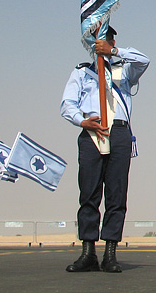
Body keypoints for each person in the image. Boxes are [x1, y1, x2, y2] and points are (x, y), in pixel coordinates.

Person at [60, 26, 149, 273]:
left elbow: (144, 60)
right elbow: (67, 104)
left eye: (106, 39)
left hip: (119, 132)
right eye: (97, 39)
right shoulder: (82, 72)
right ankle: (88, 252)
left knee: (116, 194)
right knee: (89, 194)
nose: (101, 42)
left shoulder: (124, 70)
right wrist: (81, 120)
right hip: (92, 131)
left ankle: (110, 253)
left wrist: (114, 52)